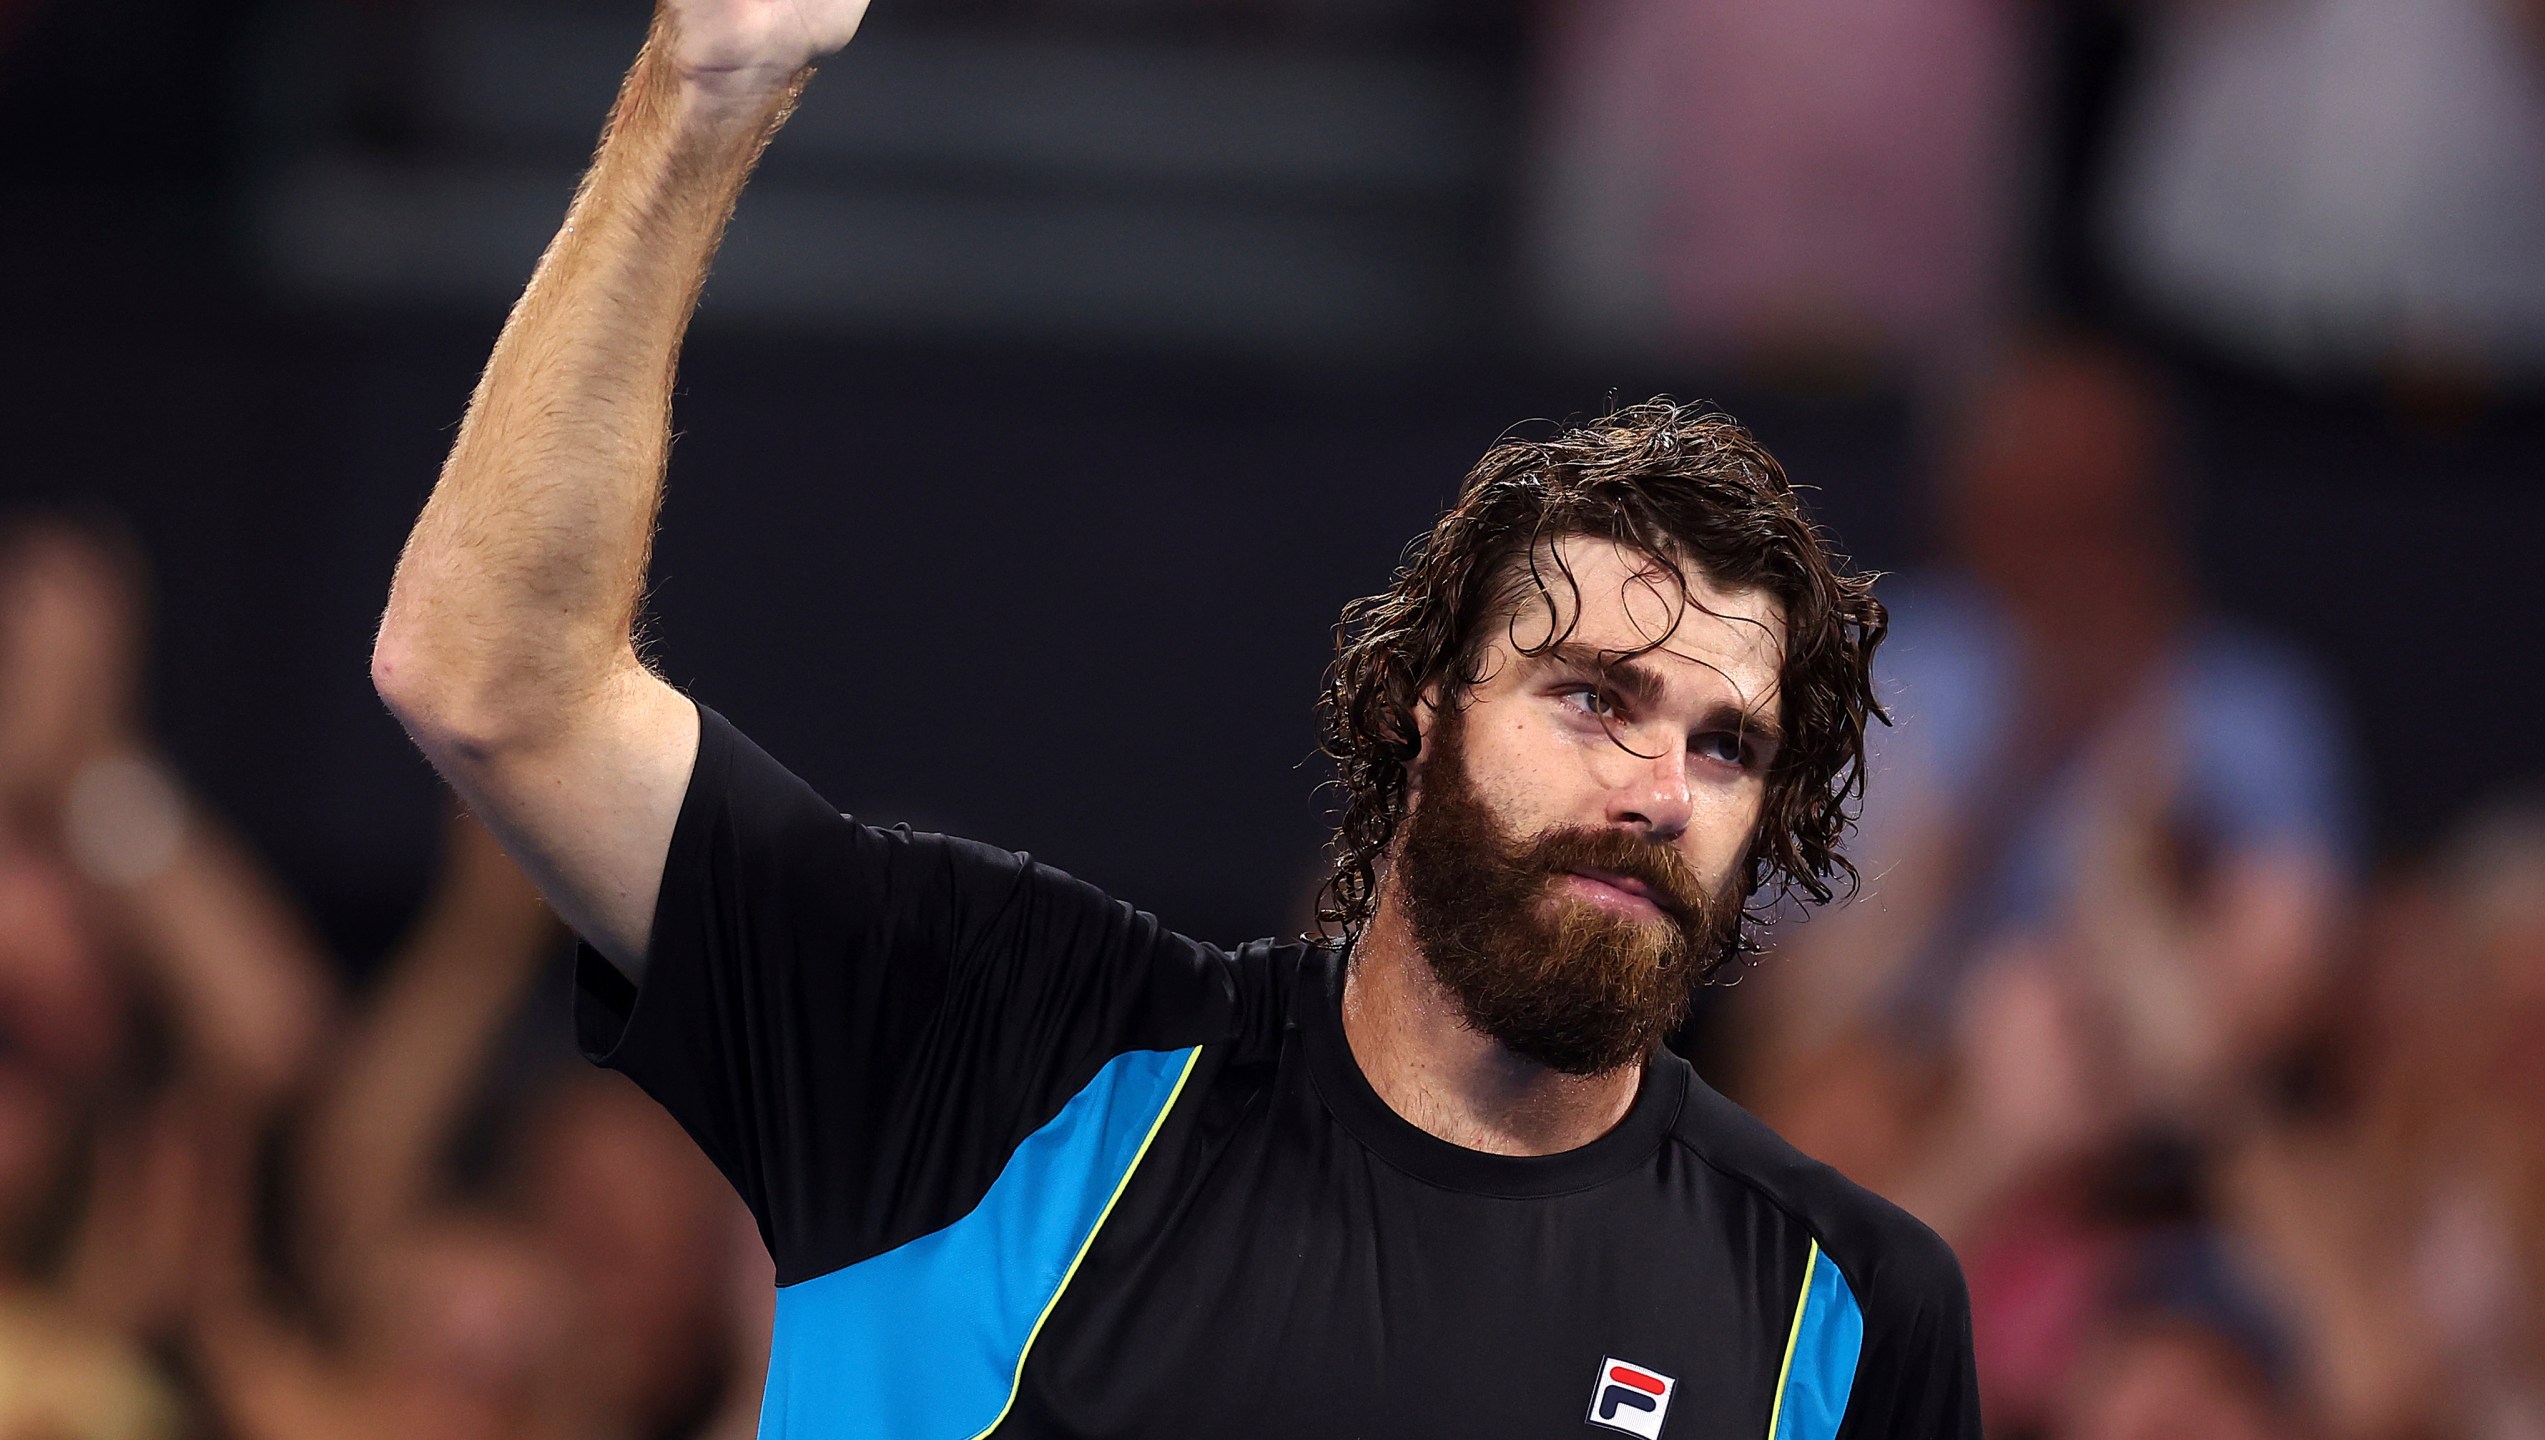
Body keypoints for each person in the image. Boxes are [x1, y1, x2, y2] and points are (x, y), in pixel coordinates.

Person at [367, 1, 1980, 1435]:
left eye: (1727, 746)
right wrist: (702, 96)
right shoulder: (987, 1039)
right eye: (1593, 700)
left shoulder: (1845, 1318)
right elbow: (490, 679)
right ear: (1424, 718)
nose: (1657, 787)